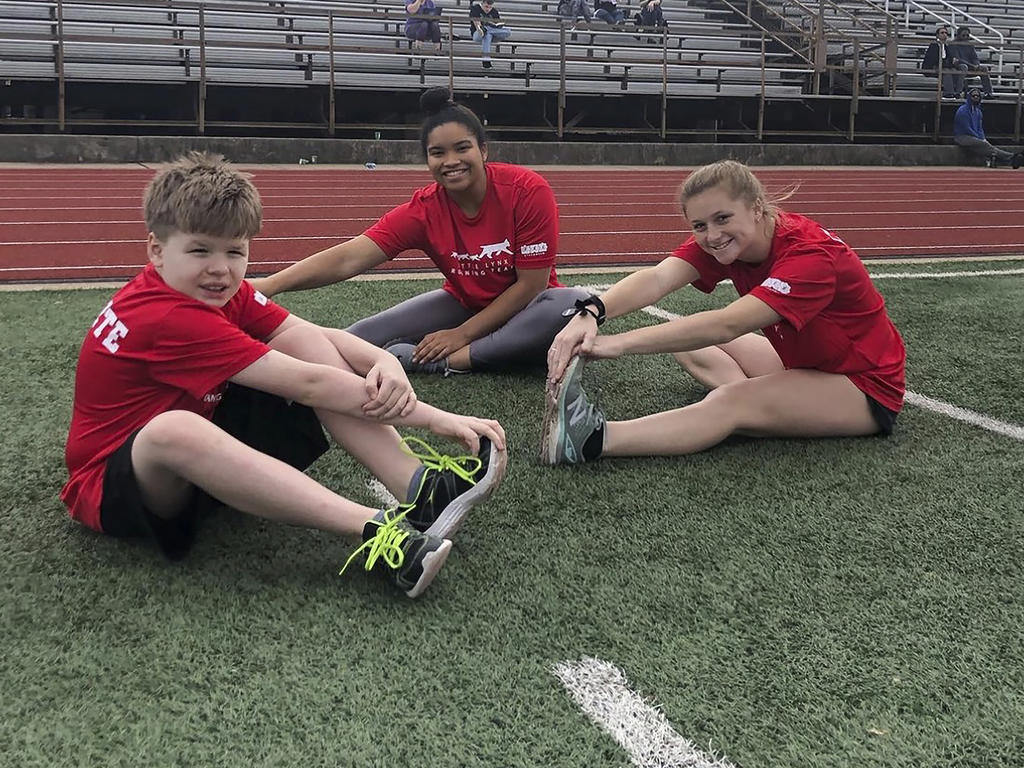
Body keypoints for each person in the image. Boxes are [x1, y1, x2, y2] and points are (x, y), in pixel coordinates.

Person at [61, 152, 508, 599]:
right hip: (123, 485)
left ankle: (418, 487)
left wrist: (382, 361)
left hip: (201, 443)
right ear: (156, 250)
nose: (220, 268)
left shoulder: (210, 287)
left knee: (298, 344)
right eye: (200, 250)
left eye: (235, 251)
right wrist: (437, 418)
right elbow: (308, 384)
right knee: (171, 431)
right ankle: (375, 532)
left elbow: (304, 333)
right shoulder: (166, 316)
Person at [541, 160, 907, 465]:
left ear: (757, 208)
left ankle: (592, 440)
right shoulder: (731, 241)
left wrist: (613, 344)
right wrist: (591, 311)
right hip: (808, 364)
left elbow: (728, 324)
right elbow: (658, 278)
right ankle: (765, 407)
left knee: (729, 403)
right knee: (682, 337)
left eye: (722, 219)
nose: (712, 235)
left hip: (863, 387)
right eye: (700, 226)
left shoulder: (811, 256)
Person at [250, 88, 591, 376]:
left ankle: (450, 362)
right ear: (427, 160)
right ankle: (271, 369)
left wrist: (460, 336)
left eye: (462, 148)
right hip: (464, 303)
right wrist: (268, 286)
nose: (451, 161)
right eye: (437, 153)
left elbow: (530, 286)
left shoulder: (527, 190)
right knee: (360, 335)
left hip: (529, 311)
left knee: (571, 303)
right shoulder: (424, 209)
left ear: (483, 150)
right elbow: (350, 258)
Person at [953, 85, 1022, 168]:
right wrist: (979, 138)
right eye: (973, 96)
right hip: (962, 137)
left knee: (984, 146)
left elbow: (980, 128)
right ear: (969, 97)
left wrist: (982, 138)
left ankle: (1007, 160)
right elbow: (966, 128)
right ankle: (1011, 157)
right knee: (984, 145)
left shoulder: (978, 112)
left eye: (977, 96)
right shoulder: (962, 110)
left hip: (974, 137)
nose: (975, 97)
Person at [948, 25, 993, 98]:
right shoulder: (953, 44)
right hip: (957, 66)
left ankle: (988, 93)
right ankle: (958, 92)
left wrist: (977, 64)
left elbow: (974, 57)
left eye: (967, 35)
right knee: (964, 67)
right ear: (958, 35)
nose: (965, 37)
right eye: (963, 35)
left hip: (971, 66)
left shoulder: (970, 45)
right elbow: (957, 58)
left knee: (984, 69)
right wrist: (972, 65)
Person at [469, 0, 511, 69]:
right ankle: (486, 62)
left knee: (508, 32)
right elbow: (477, 26)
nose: (488, 9)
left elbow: (497, 25)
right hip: (477, 34)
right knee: (486, 35)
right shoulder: (475, 9)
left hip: (493, 33)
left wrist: (493, 26)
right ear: (482, 4)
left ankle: (487, 29)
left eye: (490, 7)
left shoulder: (494, 11)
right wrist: (483, 28)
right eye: (486, 7)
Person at [921, 24, 958, 99]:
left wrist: (953, 61)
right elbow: (934, 60)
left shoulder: (946, 46)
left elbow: (948, 58)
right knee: (946, 71)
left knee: (955, 70)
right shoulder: (934, 45)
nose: (945, 35)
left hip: (944, 66)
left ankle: (957, 92)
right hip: (932, 67)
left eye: (946, 33)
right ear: (937, 35)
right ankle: (948, 94)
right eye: (942, 33)